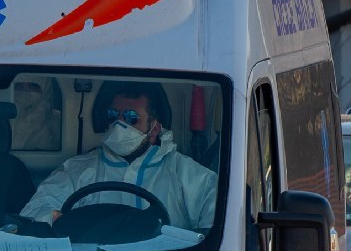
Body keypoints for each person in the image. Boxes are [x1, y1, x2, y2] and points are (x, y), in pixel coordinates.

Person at [20, 84, 216, 232]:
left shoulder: (185, 173)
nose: (119, 124)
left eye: (131, 118)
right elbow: (33, 211)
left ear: (154, 129)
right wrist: (56, 219)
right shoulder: (76, 169)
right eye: (114, 115)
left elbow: (218, 223)